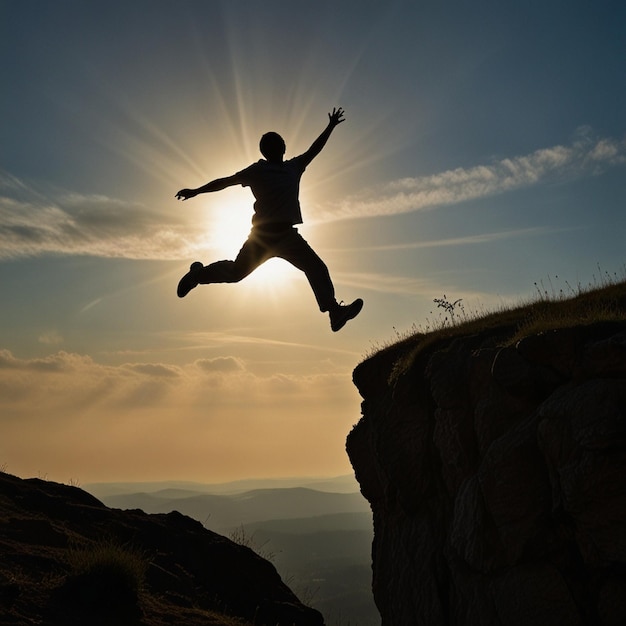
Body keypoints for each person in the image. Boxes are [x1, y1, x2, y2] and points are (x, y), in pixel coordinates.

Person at [175, 107, 363, 332]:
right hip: (263, 237)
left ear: (283, 147)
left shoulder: (294, 167)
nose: (277, 148)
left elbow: (314, 150)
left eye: (278, 144)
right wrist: (196, 191)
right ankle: (198, 275)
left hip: (288, 236)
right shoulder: (257, 170)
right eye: (272, 146)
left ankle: (334, 312)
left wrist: (330, 127)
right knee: (236, 273)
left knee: (317, 268)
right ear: (266, 151)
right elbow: (225, 181)